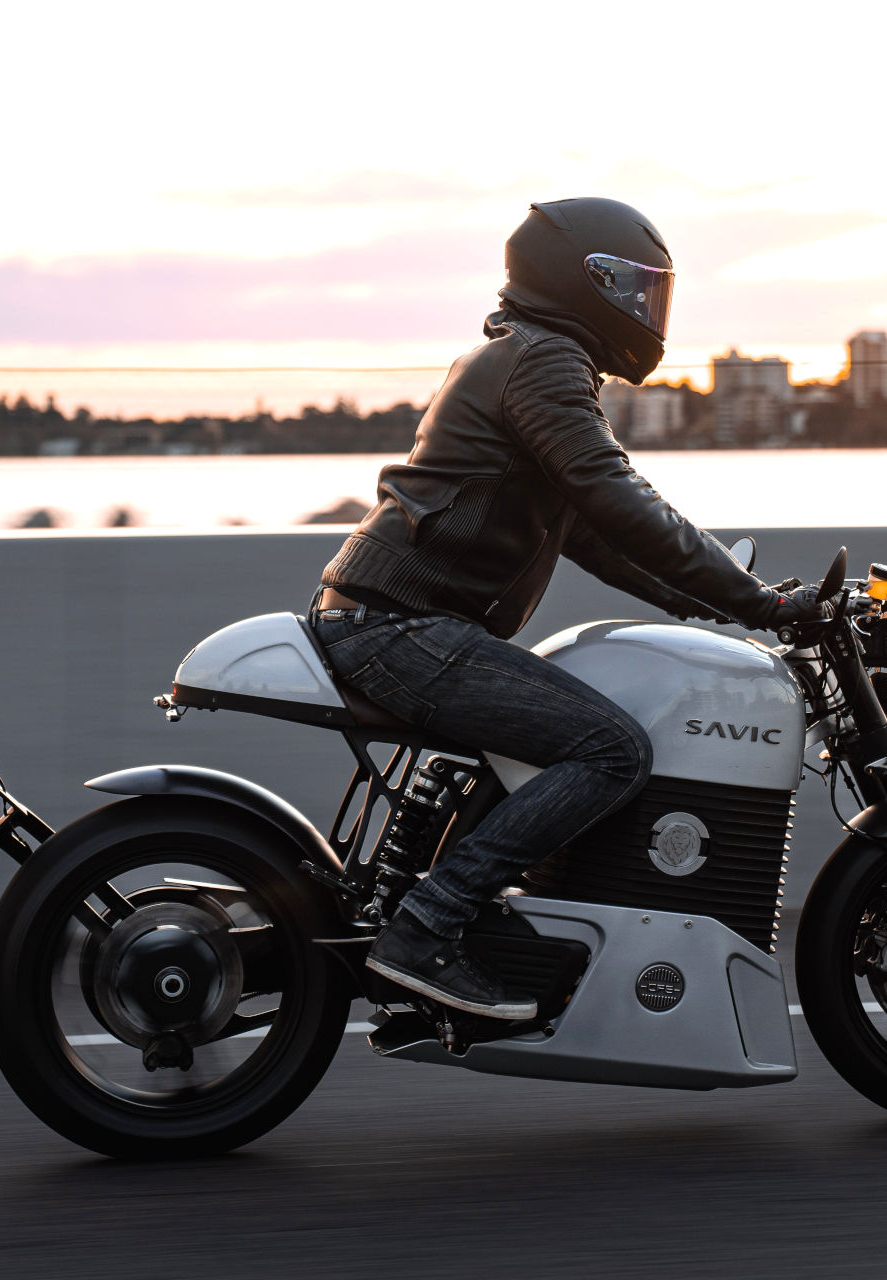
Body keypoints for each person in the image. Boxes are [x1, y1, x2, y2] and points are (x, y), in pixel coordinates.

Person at [311, 197, 818, 1020]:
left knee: (580, 735)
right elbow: (615, 496)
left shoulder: (525, 355)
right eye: (637, 288)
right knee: (611, 750)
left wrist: (730, 605)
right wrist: (754, 597)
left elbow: (594, 535)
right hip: (402, 627)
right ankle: (427, 928)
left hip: (396, 620)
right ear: (590, 281)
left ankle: (471, 920)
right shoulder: (543, 363)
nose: (648, 309)